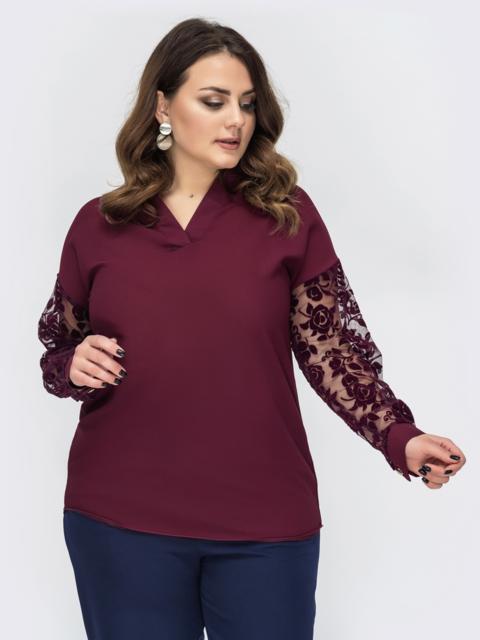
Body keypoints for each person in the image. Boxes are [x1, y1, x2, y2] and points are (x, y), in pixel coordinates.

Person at [37, 17, 466, 640]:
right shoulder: (98, 225)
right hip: (119, 519)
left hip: (265, 519)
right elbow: (59, 348)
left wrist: (399, 436)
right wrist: (74, 364)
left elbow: (331, 349)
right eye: (214, 102)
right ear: (163, 106)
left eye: (246, 103)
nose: (235, 120)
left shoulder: (288, 217)